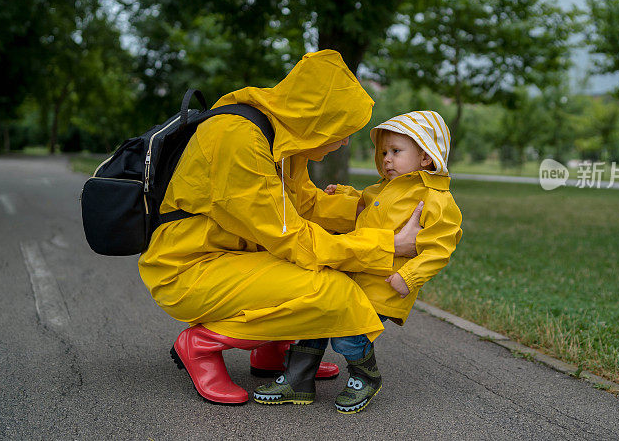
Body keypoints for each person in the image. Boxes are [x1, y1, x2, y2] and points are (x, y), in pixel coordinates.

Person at [138, 50, 423, 407]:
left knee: (323, 269)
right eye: (343, 130)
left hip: (230, 257)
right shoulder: (238, 138)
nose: (346, 142)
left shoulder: (282, 136)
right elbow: (290, 236)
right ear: (319, 118)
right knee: (332, 290)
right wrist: (387, 247)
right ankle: (199, 345)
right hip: (188, 268)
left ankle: (275, 353)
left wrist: (373, 209)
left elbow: (304, 205)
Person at [269, 110, 463, 414]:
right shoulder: (383, 187)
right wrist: (344, 193)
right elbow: (367, 200)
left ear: (426, 156)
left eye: (396, 152)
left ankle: (365, 376)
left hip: (384, 285)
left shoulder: (436, 199)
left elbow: (440, 248)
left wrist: (409, 277)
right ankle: (298, 379)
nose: (386, 158)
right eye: (384, 152)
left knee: (349, 335)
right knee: (317, 315)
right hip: (356, 276)